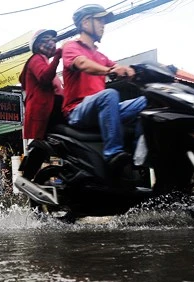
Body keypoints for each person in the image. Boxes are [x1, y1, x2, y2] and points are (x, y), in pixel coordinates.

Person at [62, 4, 147, 172]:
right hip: (78, 110)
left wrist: (135, 72)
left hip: (102, 108)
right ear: (86, 22)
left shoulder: (100, 56)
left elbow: (120, 67)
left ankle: (139, 156)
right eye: (100, 20)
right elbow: (82, 63)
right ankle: (113, 154)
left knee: (148, 101)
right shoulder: (71, 46)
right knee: (109, 95)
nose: (103, 25)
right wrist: (110, 70)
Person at [19, 29, 64, 180]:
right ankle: (28, 179)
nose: (52, 43)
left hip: (54, 111)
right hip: (46, 113)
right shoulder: (36, 59)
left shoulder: (46, 61)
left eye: (53, 39)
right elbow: (45, 77)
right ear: (38, 45)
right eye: (46, 40)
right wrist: (58, 56)